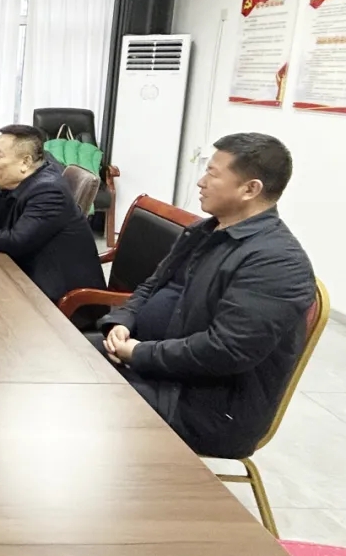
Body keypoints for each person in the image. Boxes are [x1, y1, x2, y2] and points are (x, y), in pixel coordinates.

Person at [95, 133, 314, 459]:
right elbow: (152, 285)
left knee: (78, 402)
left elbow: (225, 350)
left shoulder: (277, 262)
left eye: (212, 174)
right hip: (156, 367)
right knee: (60, 362)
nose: (200, 182)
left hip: (201, 406)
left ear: (250, 189)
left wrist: (139, 353)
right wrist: (122, 321)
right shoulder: (205, 231)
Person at [0, 124, 105, 305]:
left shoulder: (48, 191)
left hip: (61, 299)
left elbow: (16, 241)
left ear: (25, 162)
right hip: (27, 276)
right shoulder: (18, 179)